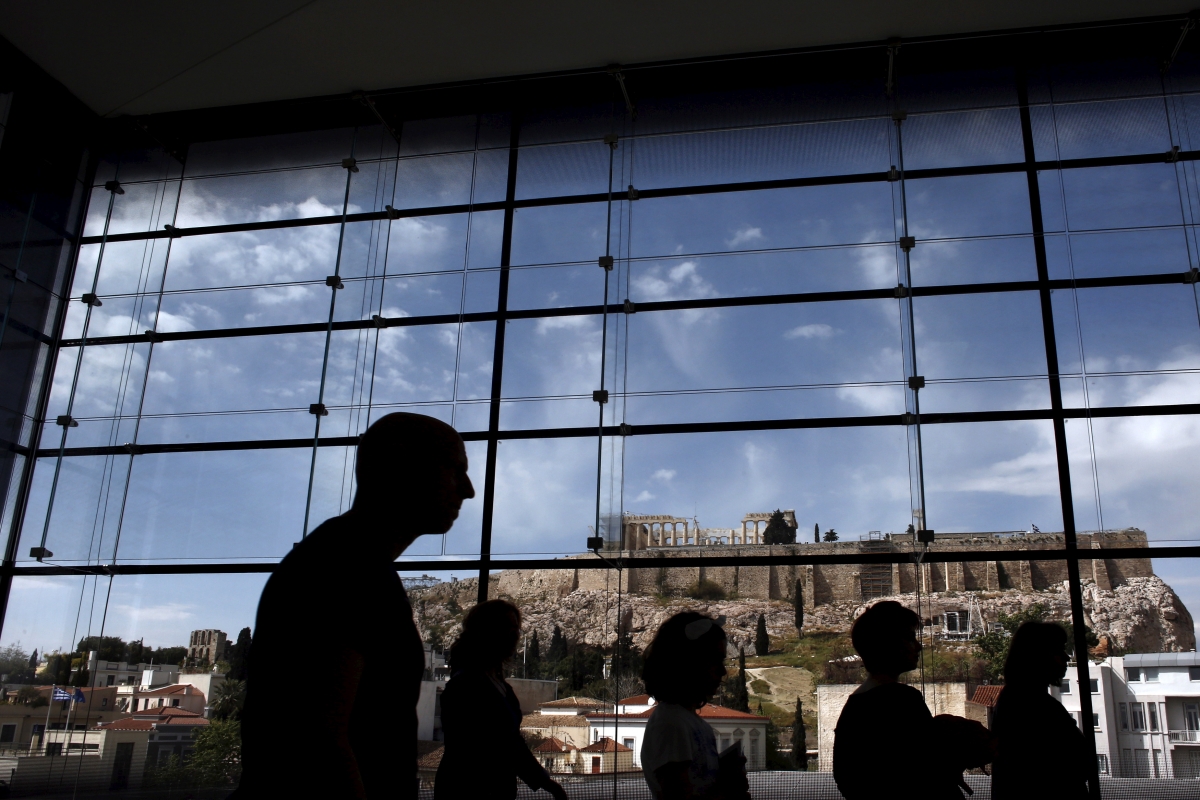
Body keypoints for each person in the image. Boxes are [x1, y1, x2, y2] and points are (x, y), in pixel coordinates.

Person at [234, 413, 475, 800]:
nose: (468, 490)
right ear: (403, 465)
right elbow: (316, 738)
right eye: (455, 470)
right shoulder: (342, 568)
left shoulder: (352, 562)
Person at [833, 601, 979, 800]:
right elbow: (926, 767)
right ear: (888, 644)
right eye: (910, 638)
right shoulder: (901, 700)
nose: (918, 646)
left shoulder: (854, 706)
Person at [435, 600, 567, 800]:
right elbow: (501, 743)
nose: (514, 634)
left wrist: (543, 781)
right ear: (485, 631)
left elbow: (510, 741)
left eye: (516, 628)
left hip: (496, 789)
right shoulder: (466, 684)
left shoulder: (498, 684)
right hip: (469, 790)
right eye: (507, 627)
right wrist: (543, 781)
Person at [640, 612, 749, 800]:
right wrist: (728, 790)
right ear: (689, 662)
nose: (723, 671)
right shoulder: (671, 725)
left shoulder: (690, 723)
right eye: (715, 660)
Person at [991, 622, 1090, 800]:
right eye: (1059, 650)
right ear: (1039, 656)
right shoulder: (1033, 704)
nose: (1066, 658)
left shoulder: (1016, 699)